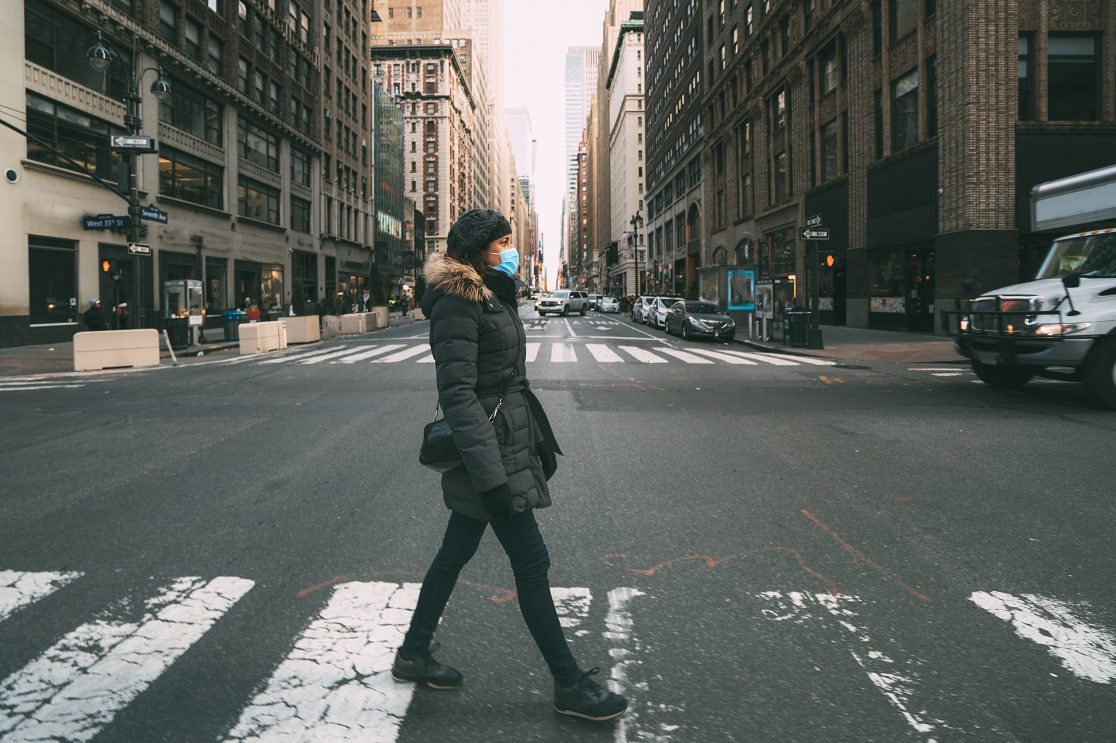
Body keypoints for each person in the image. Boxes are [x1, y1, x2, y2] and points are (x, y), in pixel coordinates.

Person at [398, 209, 627, 722]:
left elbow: (505, 381)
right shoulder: (459, 300)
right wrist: (491, 476)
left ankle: (413, 652)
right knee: (532, 563)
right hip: (489, 453)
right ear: (479, 248)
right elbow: (458, 395)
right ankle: (568, 683)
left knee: (454, 552)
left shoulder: (490, 291)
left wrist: (538, 440)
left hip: (503, 443)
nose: (509, 247)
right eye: (502, 241)